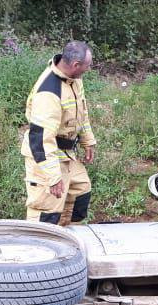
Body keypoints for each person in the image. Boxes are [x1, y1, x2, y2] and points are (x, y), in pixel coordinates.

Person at [21, 41, 97, 225]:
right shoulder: (49, 92)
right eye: (87, 66)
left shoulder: (74, 80)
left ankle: (65, 237)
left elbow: (81, 113)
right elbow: (40, 140)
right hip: (47, 156)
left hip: (67, 153)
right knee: (48, 209)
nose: (89, 69)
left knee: (80, 193)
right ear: (75, 65)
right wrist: (53, 177)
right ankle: (40, 247)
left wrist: (88, 141)